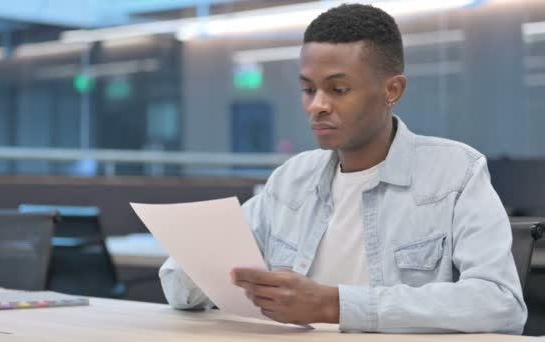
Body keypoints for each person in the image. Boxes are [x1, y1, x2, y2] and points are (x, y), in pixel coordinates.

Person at [159, 3, 527, 334]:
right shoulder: (291, 181)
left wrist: (332, 304)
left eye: (338, 90)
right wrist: (209, 265)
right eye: (308, 89)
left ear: (392, 91)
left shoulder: (456, 173)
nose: (316, 106)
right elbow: (175, 285)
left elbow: (501, 303)